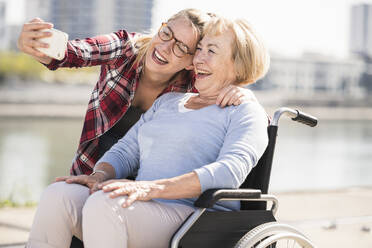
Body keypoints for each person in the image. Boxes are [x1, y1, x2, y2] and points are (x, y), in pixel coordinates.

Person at [26, 15, 270, 248]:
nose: (198, 60)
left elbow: (228, 173)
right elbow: (126, 150)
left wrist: (151, 188)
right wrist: (99, 176)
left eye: (211, 51)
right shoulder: (170, 101)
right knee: (59, 195)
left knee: (105, 206)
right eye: (199, 50)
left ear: (239, 65)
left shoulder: (245, 111)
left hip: (197, 218)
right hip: (145, 206)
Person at [17, 9, 256, 179]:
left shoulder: (195, 86)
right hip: (91, 171)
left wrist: (242, 94)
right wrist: (39, 45)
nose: (165, 47)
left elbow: (241, 114)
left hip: (147, 185)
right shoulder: (124, 48)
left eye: (181, 47)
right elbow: (76, 52)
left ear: (191, 61)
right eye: (166, 34)